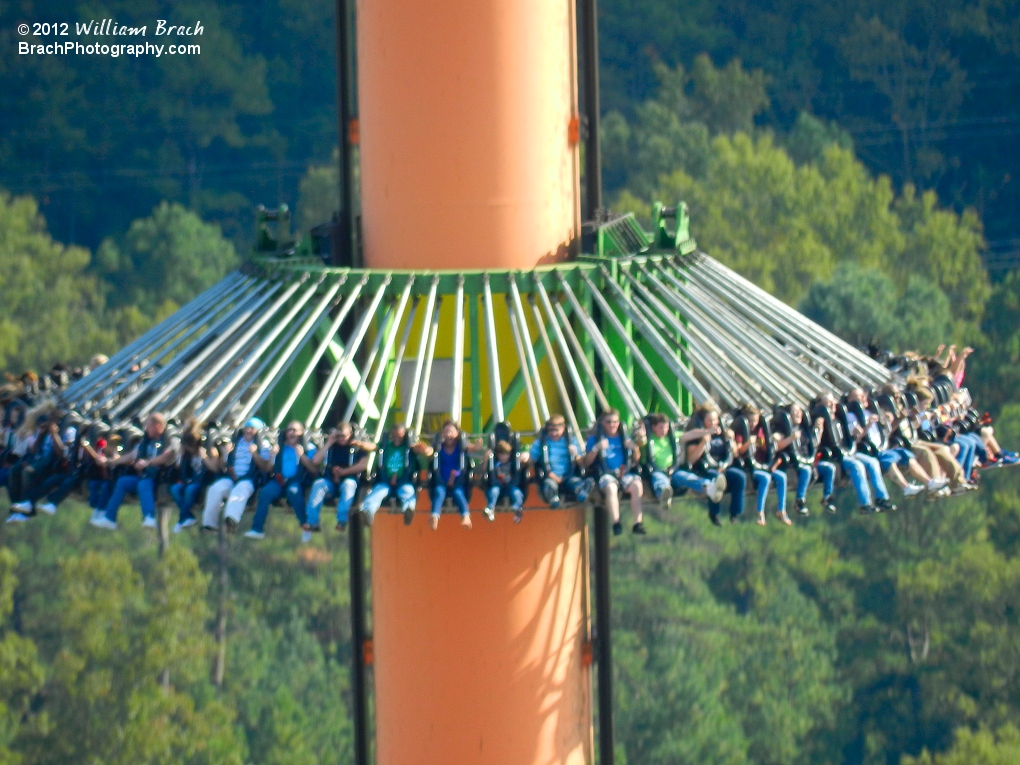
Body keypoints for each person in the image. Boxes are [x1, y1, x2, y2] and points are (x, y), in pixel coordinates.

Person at [845, 388, 947, 497]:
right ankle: (906, 487)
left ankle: (929, 482)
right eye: (859, 396)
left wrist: (890, 421)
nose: (864, 398)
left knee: (906, 455)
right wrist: (868, 425)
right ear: (851, 399)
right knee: (890, 460)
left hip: (883, 446)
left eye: (864, 395)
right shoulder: (851, 416)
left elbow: (886, 433)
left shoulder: (871, 411)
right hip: (871, 450)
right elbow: (857, 439)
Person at [90, 413, 179, 530]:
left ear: (157, 426)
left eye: (148, 426)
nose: (146, 429)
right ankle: (110, 517)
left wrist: (148, 463)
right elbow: (130, 456)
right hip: (146, 477)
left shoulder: (170, 439)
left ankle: (149, 517)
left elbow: (167, 456)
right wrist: (108, 461)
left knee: (143, 484)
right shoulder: (147, 442)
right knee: (123, 482)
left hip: (161, 478)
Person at [813, 393, 895, 514]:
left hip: (849, 452)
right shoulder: (820, 421)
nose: (832, 405)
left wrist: (856, 435)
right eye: (828, 403)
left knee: (872, 462)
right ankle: (865, 503)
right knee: (857, 466)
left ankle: (881, 498)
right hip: (835, 456)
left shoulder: (839, 419)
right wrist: (818, 429)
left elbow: (850, 440)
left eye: (833, 403)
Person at [634, 413, 726, 511]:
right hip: (656, 471)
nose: (664, 431)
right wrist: (641, 436)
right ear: (653, 427)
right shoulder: (649, 438)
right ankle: (664, 496)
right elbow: (641, 442)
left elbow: (691, 434)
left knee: (688, 477)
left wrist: (707, 432)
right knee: (660, 480)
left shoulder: (672, 437)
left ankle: (710, 488)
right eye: (661, 428)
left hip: (673, 471)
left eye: (666, 427)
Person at [246, 421, 318, 540]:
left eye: (294, 430)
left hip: (296, 481)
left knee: (294, 492)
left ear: (301, 433)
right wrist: (272, 456)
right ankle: (257, 529)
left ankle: (305, 526)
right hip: (279, 481)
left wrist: (302, 456)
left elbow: (314, 470)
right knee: (265, 492)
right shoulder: (280, 448)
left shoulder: (308, 448)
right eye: (289, 430)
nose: (291, 433)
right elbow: (269, 468)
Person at [201, 417, 273, 533]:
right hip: (231, 477)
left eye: (252, 429)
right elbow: (221, 465)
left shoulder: (263, 445)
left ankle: (231, 520)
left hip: (249, 479)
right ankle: (209, 524)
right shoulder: (236, 443)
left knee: (240, 489)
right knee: (215, 488)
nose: (248, 431)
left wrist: (254, 453)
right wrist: (226, 453)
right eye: (247, 428)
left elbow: (265, 467)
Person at [305, 423, 375, 533]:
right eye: (338, 436)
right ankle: (312, 522)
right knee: (318, 484)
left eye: (344, 436)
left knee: (348, 485)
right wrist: (328, 443)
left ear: (350, 434)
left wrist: (344, 472)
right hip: (330, 481)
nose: (341, 439)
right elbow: (315, 461)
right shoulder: (331, 447)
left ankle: (342, 521)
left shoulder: (356, 447)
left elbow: (363, 465)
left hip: (348, 479)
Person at [583, 409, 644, 535]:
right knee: (611, 488)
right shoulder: (595, 439)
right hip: (605, 474)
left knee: (637, 485)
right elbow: (586, 462)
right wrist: (596, 448)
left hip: (624, 473)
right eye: (608, 422)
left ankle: (637, 523)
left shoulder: (624, 438)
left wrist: (635, 448)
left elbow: (636, 459)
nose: (612, 425)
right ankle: (616, 522)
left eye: (615, 422)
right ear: (602, 423)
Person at [684, 404, 746, 525]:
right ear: (703, 421)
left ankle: (735, 513)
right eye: (709, 420)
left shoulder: (722, 433)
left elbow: (735, 454)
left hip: (722, 466)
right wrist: (703, 442)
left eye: (715, 420)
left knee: (739, 476)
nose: (713, 423)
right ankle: (714, 513)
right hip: (706, 468)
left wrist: (731, 440)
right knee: (716, 479)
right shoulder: (697, 435)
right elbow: (691, 459)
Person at [360, 423, 430, 525]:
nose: (397, 438)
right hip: (385, 482)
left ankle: (408, 511)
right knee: (376, 493)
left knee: (408, 492)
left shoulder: (410, 448)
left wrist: (425, 449)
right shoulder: (386, 446)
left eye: (400, 436)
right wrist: (361, 444)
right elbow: (373, 446)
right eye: (395, 436)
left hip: (404, 481)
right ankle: (368, 513)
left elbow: (424, 450)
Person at [733, 403, 790, 526]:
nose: (753, 424)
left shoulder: (760, 430)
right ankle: (760, 512)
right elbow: (739, 451)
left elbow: (764, 447)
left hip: (762, 464)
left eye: (755, 421)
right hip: (749, 468)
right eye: (750, 421)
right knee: (765, 478)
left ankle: (782, 510)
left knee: (782, 477)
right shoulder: (741, 431)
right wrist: (748, 443)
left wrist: (769, 441)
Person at [524, 415, 593, 508]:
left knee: (576, 482)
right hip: (550, 476)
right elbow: (531, 461)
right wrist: (524, 459)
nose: (553, 433)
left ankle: (581, 491)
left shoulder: (572, 441)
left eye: (556, 430)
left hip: (568, 475)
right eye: (550, 430)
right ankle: (553, 498)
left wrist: (576, 454)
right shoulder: (540, 442)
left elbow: (582, 464)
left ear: (563, 428)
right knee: (549, 484)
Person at [422, 420, 474, 530]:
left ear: (457, 434)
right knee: (439, 492)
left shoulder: (461, 447)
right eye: (446, 432)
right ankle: (434, 517)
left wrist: (477, 446)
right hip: (442, 479)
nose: (448, 435)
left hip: (457, 479)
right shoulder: (438, 446)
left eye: (451, 432)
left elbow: (470, 449)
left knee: (459, 493)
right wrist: (426, 450)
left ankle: (466, 517)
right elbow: (430, 451)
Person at [170, 420, 213, 533]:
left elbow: (214, 468)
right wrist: (180, 454)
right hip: (189, 480)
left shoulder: (206, 450)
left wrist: (204, 456)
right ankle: (188, 516)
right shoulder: (186, 454)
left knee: (190, 490)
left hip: (201, 481)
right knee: (175, 489)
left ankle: (181, 520)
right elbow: (179, 468)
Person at [484, 440, 526, 523]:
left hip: (511, 485)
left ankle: (517, 509)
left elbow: (519, 473)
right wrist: (486, 459)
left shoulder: (512, 463)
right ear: (498, 455)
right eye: (502, 455)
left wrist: (523, 459)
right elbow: (487, 473)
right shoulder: (495, 463)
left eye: (507, 454)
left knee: (516, 492)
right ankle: (490, 508)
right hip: (498, 485)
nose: (504, 457)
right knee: (494, 491)